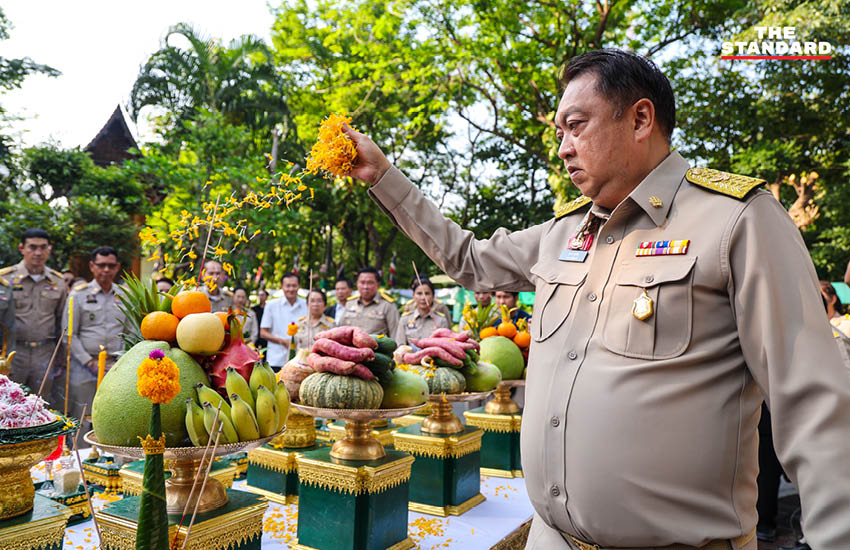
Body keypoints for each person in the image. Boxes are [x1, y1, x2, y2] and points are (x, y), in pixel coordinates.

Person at [344, 49, 850, 548]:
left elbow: (816, 407)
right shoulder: (563, 232)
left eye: (576, 125)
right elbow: (469, 260)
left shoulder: (737, 220)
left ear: (640, 119)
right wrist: (383, 178)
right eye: (559, 133)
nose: (563, 147)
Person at [0, 229, 66, 404]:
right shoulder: (5, 278)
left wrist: (61, 356)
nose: (38, 253)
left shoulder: (58, 282)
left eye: (43, 247)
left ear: (49, 249)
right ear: (22, 248)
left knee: (40, 404)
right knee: (8, 405)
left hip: (44, 352)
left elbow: (61, 321)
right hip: (12, 352)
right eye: (32, 247)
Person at [63, 247, 125, 427]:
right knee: (82, 418)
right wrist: (89, 363)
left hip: (115, 366)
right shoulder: (79, 295)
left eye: (111, 266)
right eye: (101, 265)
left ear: (117, 267)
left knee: (113, 417)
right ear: (92, 266)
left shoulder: (124, 295)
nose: (106, 270)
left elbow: (130, 332)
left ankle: (110, 455)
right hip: (84, 366)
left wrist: (120, 361)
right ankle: (79, 454)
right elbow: (69, 335)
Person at [260, 273, 307, 369]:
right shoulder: (271, 305)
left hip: (301, 360)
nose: (291, 289)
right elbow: (263, 332)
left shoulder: (306, 305)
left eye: (294, 285)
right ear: (282, 287)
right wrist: (283, 341)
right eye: (288, 286)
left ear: (299, 286)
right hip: (276, 359)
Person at [341, 267, 400, 337]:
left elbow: (396, 335)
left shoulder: (388, 306)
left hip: (376, 347)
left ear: (378, 284)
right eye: (362, 282)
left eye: (370, 283)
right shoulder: (350, 304)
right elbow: (341, 331)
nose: (365, 287)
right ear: (357, 284)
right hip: (350, 347)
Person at [396, 277, 450, 346]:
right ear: (413, 296)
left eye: (427, 293)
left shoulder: (441, 320)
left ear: (433, 296)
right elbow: (400, 346)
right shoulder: (405, 320)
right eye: (419, 293)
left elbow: (447, 345)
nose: (423, 298)